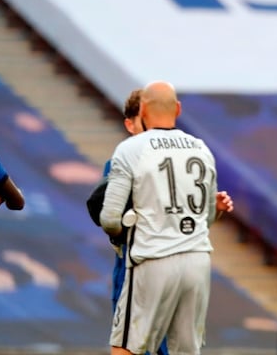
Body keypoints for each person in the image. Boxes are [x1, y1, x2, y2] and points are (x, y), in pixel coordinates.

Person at [89, 88, 234, 355]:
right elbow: (202, 219)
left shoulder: (129, 151)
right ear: (177, 109)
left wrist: (124, 232)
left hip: (147, 259)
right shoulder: (200, 148)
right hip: (196, 260)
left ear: (143, 113)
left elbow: (108, 218)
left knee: (127, 347)